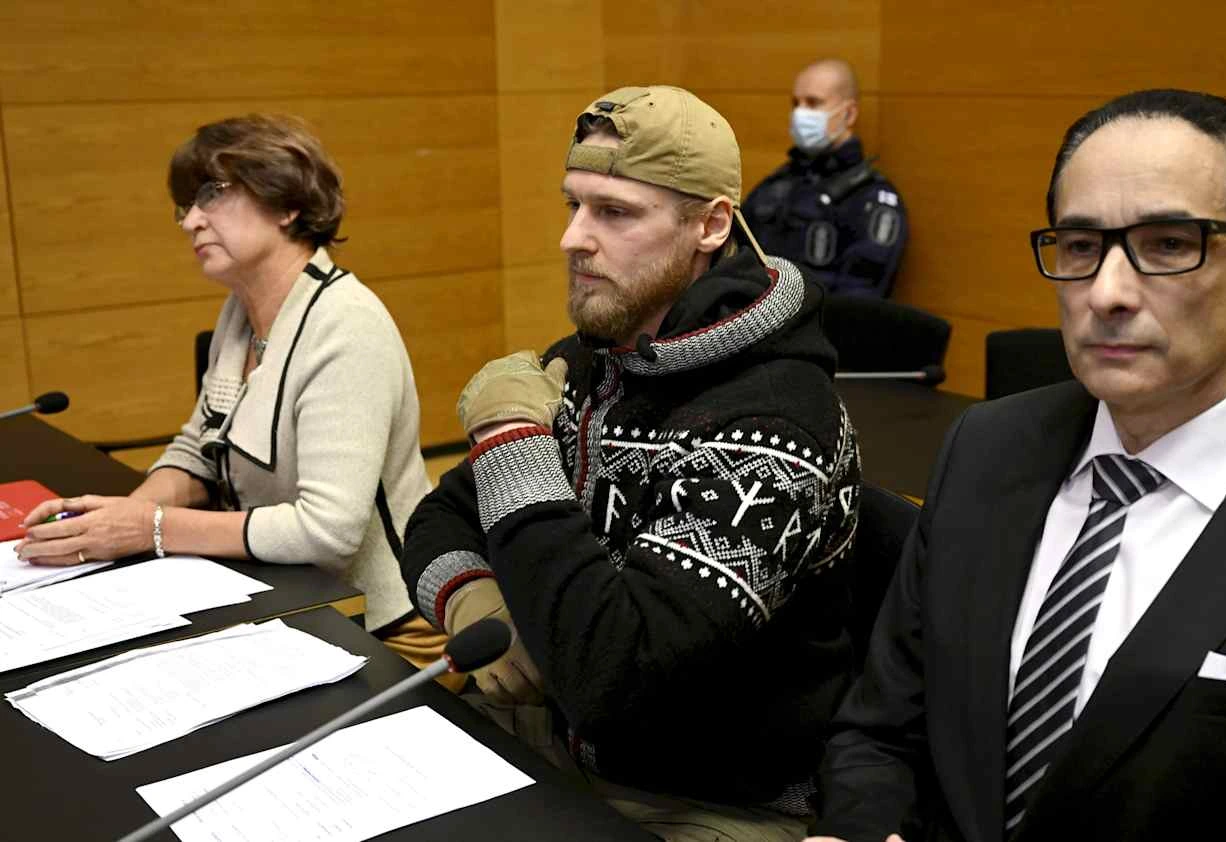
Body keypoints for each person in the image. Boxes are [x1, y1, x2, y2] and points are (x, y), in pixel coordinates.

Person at [807, 89, 1226, 842]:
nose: (1107, 294)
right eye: (1082, 247)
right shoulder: (986, 446)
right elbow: (880, 727)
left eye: (1166, 245)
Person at [401, 85, 862, 840]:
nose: (574, 239)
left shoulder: (773, 420)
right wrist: (470, 596)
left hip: (704, 801)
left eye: (615, 213)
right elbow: (444, 512)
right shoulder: (593, 361)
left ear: (711, 226)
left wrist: (514, 441)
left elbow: (617, 679)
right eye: (573, 205)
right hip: (558, 748)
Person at [16, 114, 455, 682]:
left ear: (286, 204)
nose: (190, 221)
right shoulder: (242, 310)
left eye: (211, 194)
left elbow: (328, 530)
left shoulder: (346, 325)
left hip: (390, 628)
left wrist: (151, 527)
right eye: (184, 206)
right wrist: (121, 519)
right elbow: (200, 448)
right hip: (295, 597)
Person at [741, 59, 907, 298]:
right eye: (796, 103)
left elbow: (857, 302)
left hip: (817, 329)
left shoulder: (870, 199)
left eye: (813, 103)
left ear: (849, 114)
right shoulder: (778, 184)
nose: (800, 113)